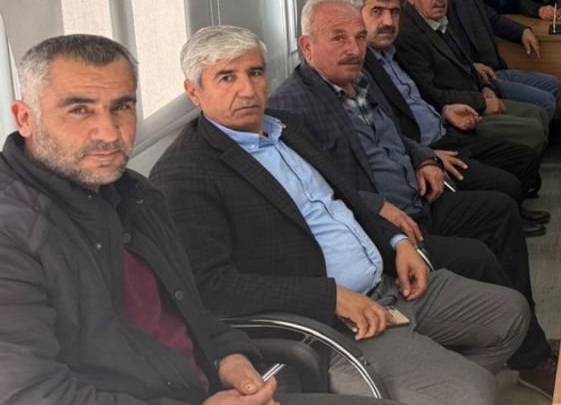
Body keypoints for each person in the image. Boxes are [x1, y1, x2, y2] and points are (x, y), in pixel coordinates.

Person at [151, 26, 534, 405]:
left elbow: (344, 199)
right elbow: (212, 287)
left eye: (255, 72)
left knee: (512, 314)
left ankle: (430, 382)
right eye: (226, 77)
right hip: (336, 323)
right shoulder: (185, 173)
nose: (248, 89)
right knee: (474, 391)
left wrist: (397, 241)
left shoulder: (285, 126)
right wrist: (330, 297)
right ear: (194, 92)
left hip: (391, 284)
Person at [0, 33, 382, 405]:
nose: (109, 132)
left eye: (122, 106)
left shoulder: (136, 195)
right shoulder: (13, 231)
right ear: (25, 118)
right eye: (79, 110)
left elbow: (189, 306)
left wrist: (227, 354)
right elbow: (28, 393)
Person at [266, 0, 559, 397]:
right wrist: (377, 206)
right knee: (477, 256)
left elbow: (399, 135)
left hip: (419, 198)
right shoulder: (291, 107)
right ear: (307, 46)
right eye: (338, 38)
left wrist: (424, 158)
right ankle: (527, 358)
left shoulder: (361, 80)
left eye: (358, 37)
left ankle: (518, 346)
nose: (354, 48)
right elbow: (314, 190)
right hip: (382, 227)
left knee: (500, 211)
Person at [349, 0, 550, 234]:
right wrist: (425, 155)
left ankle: (515, 211)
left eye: (394, 12)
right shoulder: (359, 68)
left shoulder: (392, 51)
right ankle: (511, 218)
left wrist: (445, 111)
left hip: (447, 129)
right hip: (430, 149)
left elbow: (422, 95)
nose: (388, 22)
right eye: (377, 12)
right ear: (356, 16)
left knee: (522, 158)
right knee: (505, 183)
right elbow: (387, 130)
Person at [394, 0, 549, 155]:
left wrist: (486, 87)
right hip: (459, 114)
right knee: (534, 129)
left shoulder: (438, 19)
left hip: (476, 93)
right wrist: (482, 102)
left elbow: (467, 63)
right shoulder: (408, 35)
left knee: (539, 113)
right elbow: (432, 94)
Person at [438, 0, 561, 121]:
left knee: (553, 84)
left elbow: (493, 19)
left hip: (497, 72)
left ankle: (530, 130)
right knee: (546, 102)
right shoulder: (441, 2)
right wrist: (474, 71)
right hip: (479, 80)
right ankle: (524, 134)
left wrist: (522, 31)